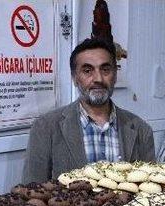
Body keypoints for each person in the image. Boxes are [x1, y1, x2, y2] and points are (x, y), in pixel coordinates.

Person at [22, 38, 155, 183]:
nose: (98, 78)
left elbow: (152, 192)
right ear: (74, 78)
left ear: (115, 75)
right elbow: (32, 191)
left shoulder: (141, 130)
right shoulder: (45, 128)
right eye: (87, 70)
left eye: (105, 69)